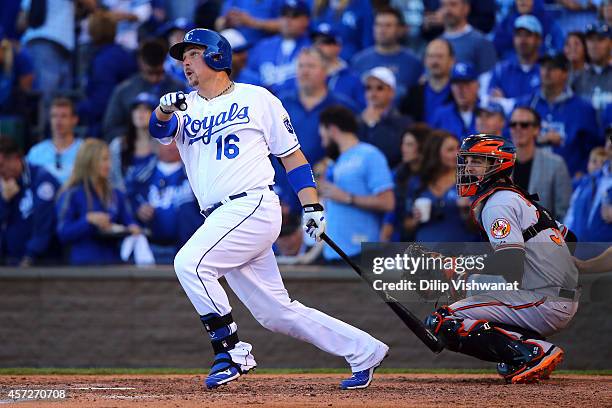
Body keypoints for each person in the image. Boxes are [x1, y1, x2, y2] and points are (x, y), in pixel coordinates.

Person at [149, 28, 388, 390]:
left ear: (216, 56)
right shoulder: (184, 105)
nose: (185, 60)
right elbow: (158, 130)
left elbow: (292, 157)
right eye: (183, 55)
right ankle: (363, 350)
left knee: (191, 263)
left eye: (194, 53)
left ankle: (230, 351)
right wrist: (164, 108)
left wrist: (312, 206)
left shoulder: (257, 98)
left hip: (252, 204)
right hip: (220, 217)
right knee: (276, 313)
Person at [420, 133, 579, 384]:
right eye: (468, 160)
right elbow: (571, 240)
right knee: (470, 294)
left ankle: (534, 352)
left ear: (498, 164)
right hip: (555, 297)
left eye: (477, 160)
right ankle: (525, 346)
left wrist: (460, 267)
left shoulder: (497, 203)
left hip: (542, 300)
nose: (468, 167)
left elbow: (510, 265)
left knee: (442, 321)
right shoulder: (518, 197)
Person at [318, 105, 394, 262]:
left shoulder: (369, 154)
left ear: (332, 129)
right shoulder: (337, 162)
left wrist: (347, 197)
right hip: (333, 254)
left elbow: (388, 202)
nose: (322, 142)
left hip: (360, 253)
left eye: (323, 135)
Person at [56, 138, 140, 265]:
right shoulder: (71, 194)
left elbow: (129, 221)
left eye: (109, 159)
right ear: (89, 162)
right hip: (83, 268)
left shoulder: (116, 194)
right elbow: (62, 232)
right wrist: (88, 220)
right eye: (104, 159)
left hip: (115, 265)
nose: (109, 165)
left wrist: (133, 228)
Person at [518, 52, 601, 176]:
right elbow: (512, 139)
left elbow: (594, 147)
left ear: (565, 73)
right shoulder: (526, 105)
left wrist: (583, 172)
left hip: (569, 179)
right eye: (544, 67)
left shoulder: (583, 109)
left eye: (553, 68)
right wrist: (539, 140)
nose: (546, 72)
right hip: (530, 179)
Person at [126, 140, 200, 264]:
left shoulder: (197, 172)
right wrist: (137, 210)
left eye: (176, 141)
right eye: (167, 141)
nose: (173, 145)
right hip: (150, 249)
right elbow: (125, 206)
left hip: (189, 251)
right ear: (154, 145)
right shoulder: (139, 175)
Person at [103, 38, 187, 141]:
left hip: (169, 146)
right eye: (150, 73)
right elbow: (110, 127)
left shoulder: (178, 88)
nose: (154, 78)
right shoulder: (124, 90)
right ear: (140, 63)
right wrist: (133, 137)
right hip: (135, 148)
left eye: (159, 73)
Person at [403, 130, 478, 242]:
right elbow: (405, 225)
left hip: (461, 254)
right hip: (426, 253)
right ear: (435, 152)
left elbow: (480, 227)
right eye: (450, 150)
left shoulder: (470, 180)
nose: (457, 154)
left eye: (458, 148)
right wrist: (415, 220)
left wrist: (467, 213)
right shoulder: (417, 182)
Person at [78, 10, 138, 139]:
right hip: (125, 122)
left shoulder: (104, 61)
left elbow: (102, 100)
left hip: (108, 127)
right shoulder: (121, 53)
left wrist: (77, 109)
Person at [0, 135, 59, 266]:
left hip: (41, 263)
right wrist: (4, 201)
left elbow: (43, 226)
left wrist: (30, 257)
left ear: (15, 158)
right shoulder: (3, 182)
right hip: (7, 261)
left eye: (1, 165)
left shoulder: (42, 180)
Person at [509, 106, 572, 219]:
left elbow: (564, 213)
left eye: (524, 125)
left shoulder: (556, 165)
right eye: (513, 124)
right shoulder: (500, 165)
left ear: (536, 129)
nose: (518, 128)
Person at [351, 6, 423, 104]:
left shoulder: (413, 63)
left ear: (400, 29)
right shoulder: (359, 61)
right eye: (378, 25)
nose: (382, 30)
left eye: (388, 25)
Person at [381, 123, 431, 242]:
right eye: (403, 144)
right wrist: (388, 224)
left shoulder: (435, 176)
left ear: (423, 147)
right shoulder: (398, 174)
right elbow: (393, 207)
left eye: (409, 145)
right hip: (403, 238)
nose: (403, 149)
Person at [247, 0, 311, 90]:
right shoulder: (263, 46)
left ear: (306, 20)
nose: (288, 20)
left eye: (295, 16)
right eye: (284, 15)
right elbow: (249, 76)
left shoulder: (312, 48)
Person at [358, 67, 412, 169]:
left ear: (391, 92)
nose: (373, 93)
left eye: (379, 88)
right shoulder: (355, 121)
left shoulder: (404, 124)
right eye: (368, 88)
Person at [27, 96, 83, 184]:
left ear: (74, 120)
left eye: (63, 116)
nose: (58, 121)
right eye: (54, 116)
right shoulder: (36, 152)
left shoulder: (85, 150)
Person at [109, 92, 159, 191]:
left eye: (146, 109)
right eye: (136, 109)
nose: (140, 113)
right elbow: (112, 179)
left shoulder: (164, 145)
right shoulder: (118, 145)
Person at [399, 38, 455, 124]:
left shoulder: (458, 93)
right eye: (431, 56)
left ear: (451, 61)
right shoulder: (413, 94)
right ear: (425, 60)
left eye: (440, 56)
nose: (435, 61)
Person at [311, 23, 365, 110]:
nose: (319, 46)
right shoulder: (306, 74)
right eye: (315, 42)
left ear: (338, 46)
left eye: (325, 42)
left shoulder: (352, 78)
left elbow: (360, 109)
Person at [488, 15, 542, 101]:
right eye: (518, 35)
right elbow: (493, 101)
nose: (522, 40)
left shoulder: (546, 69)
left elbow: (541, 103)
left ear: (538, 40)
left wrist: (507, 102)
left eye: (527, 35)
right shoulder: (501, 70)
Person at [439, 0, 497, 75]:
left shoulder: (481, 41)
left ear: (466, 8)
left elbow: (488, 78)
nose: (447, 10)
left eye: (453, 4)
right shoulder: (436, 43)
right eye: (443, 5)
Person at [492, 0, 564, 60]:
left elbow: (558, 49)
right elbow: (496, 46)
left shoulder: (549, 22)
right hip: (512, 69)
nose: (522, 1)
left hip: (541, 66)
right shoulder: (507, 22)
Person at [572, 22, 612, 123]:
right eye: (590, 40)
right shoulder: (577, 78)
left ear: (610, 44)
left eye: (600, 40)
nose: (595, 45)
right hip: (586, 135)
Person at [310, 0, 374, 61]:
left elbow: (367, 41)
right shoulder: (317, 5)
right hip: (318, 63)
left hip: (350, 62)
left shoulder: (361, 4)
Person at [430, 62, 479, 140]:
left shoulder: (489, 113)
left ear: (477, 85)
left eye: (466, 84)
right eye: (456, 84)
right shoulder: (441, 115)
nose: (461, 90)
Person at [215, 0, 283, 44]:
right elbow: (218, 24)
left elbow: (284, 25)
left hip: (265, 47)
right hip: (237, 49)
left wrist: (252, 22)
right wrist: (227, 21)